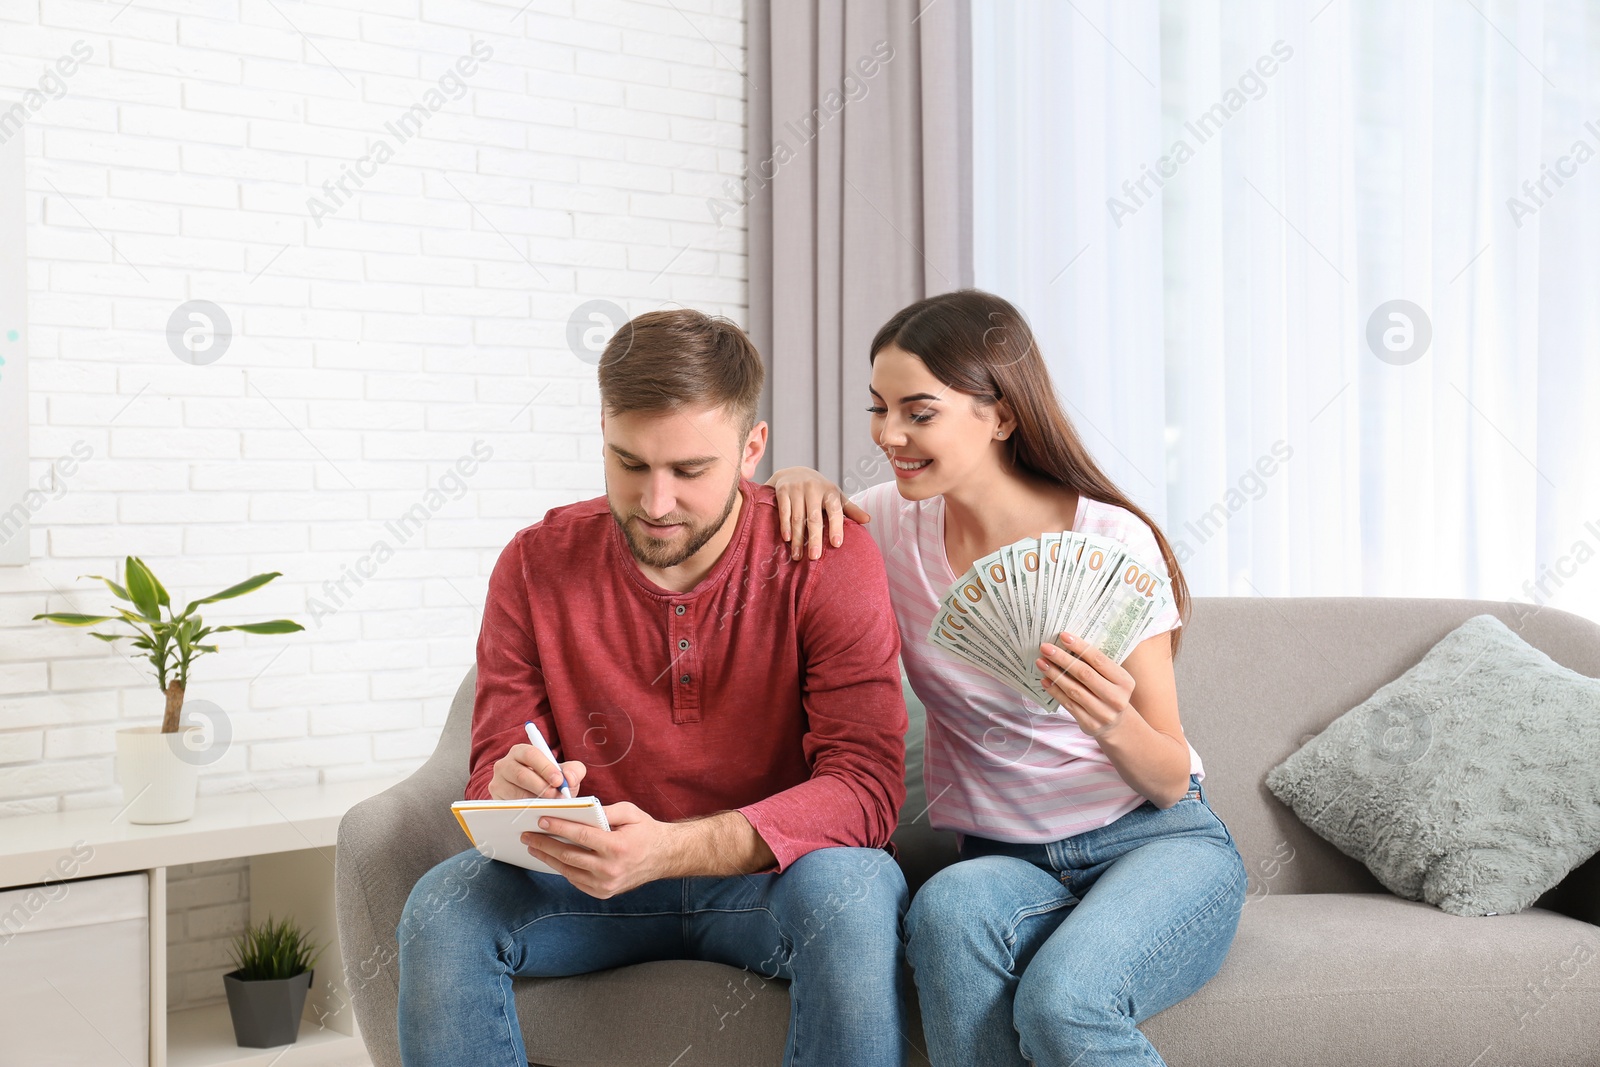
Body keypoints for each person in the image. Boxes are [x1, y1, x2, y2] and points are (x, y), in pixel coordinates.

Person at [397, 309, 910, 1067]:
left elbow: (866, 788)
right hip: (590, 886)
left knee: (855, 891)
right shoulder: (534, 566)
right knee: (439, 908)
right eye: (629, 462)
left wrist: (674, 847)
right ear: (602, 428)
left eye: (691, 470)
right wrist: (512, 791)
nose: (656, 501)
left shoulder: (826, 554)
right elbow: (491, 770)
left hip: (769, 883)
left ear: (752, 448)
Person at [766, 289, 1246, 1067]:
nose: (889, 434)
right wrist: (793, 476)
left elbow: (1166, 778)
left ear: (1001, 414)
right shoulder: (885, 524)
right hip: (1000, 861)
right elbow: (775, 535)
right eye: (877, 407)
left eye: (919, 412)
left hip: (1154, 840)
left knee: (1064, 1002)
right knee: (943, 909)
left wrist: (1113, 722)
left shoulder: (1112, 538)